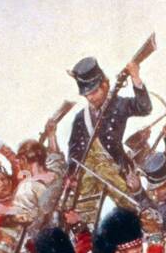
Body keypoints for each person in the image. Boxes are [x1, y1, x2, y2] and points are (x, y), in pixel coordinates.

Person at [65, 56, 152, 215]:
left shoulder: (119, 104)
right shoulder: (81, 118)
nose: (91, 97)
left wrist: (135, 77)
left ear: (104, 85)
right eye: (87, 94)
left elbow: (144, 108)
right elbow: (74, 150)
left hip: (118, 169)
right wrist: (71, 174)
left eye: (94, 91)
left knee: (137, 211)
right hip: (90, 176)